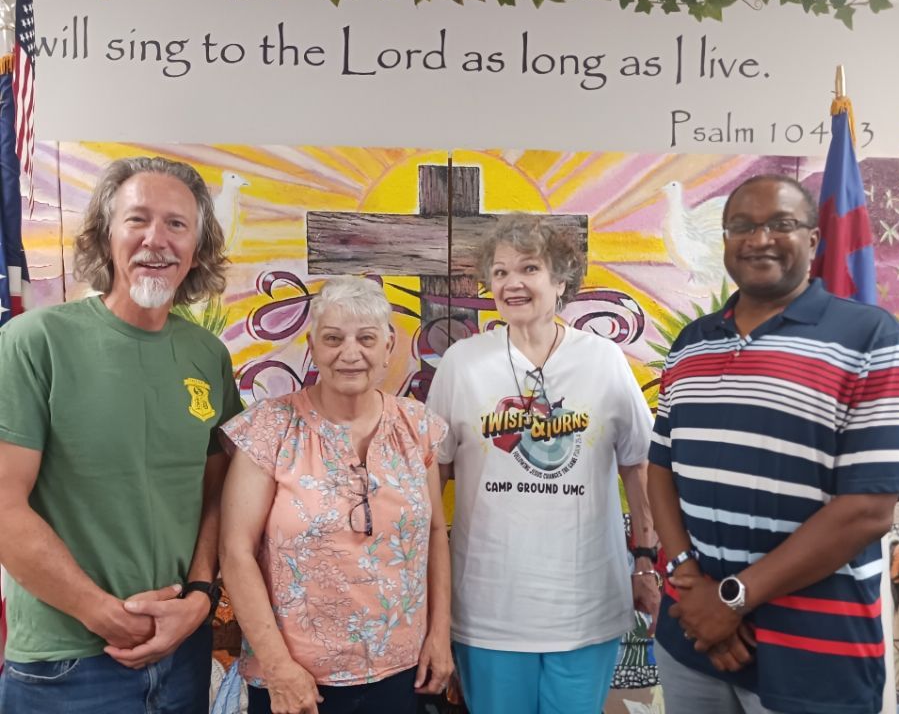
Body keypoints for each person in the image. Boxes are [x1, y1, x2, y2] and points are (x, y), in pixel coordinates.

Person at [647, 174, 899, 714]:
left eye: (780, 224)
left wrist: (731, 599)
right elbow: (661, 468)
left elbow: (867, 512)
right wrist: (689, 582)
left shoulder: (872, 337)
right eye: (742, 226)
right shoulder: (692, 342)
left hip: (815, 652)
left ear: (813, 239)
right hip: (690, 636)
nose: (759, 239)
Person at [0, 156, 243, 713]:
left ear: (198, 248)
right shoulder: (34, 342)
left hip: (182, 655)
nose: (156, 240)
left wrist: (201, 597)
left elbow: (217, 488)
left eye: (177, 224)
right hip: (67, 664)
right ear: (105, 236)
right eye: (137, 219)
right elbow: (4, 504)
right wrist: (99, 611)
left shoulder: (208, 355)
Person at [425, 213, 659, 714]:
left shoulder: (604, 360)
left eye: (528, 269)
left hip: (587, 604)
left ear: (561, 281)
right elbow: (433, 472)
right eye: (500, 272)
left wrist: (645, 559)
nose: (512, 283)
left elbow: (638, 465)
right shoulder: (462, 364)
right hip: (489, 606)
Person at [219, 276, 452, 714]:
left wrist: (440, 633)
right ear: (313, 345)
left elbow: (437, 531)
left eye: (366, 338)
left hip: (401, 673)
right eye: (333, 339)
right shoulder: (271, 427)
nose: (350, 353)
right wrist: (277, 665)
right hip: (297, 681)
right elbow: (235, 552)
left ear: (388, 347)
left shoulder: (417, 427)